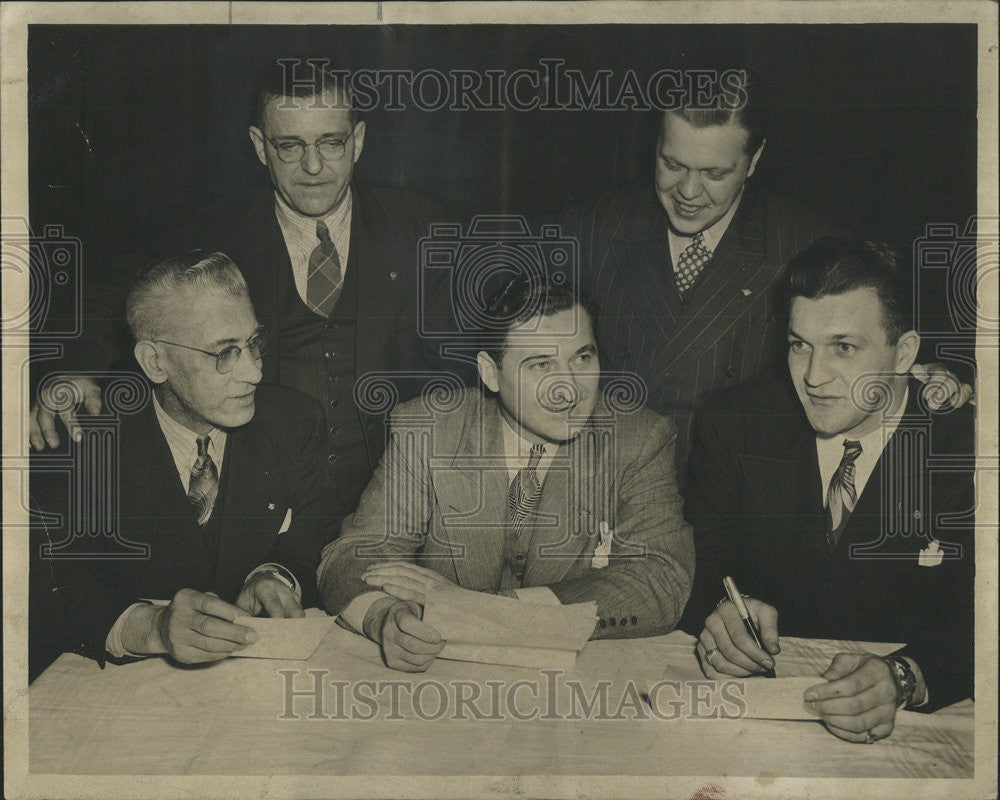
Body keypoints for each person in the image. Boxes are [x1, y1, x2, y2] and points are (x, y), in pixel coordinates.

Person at [28, 58, 459, 531]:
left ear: (357, 141)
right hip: (265, 514)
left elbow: (474, 348)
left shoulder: (419, 225)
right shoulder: (213, 231)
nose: (312, 167)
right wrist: (73, 367)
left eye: (331, 143)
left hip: (391, 509)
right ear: (260, 146)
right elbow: (119, 295)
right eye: (289, 146)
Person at [563, 68, 969, 470]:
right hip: (596, 485)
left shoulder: (809, 243)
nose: (687, 191)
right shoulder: (591, 227)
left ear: (753, 160)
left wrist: (928, 373)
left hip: (732, 504)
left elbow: (885, 345)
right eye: (672, 164)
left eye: (714, 174)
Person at [317, 274, 695, 672]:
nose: (568, 388)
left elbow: (661, 580)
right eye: (541, 364)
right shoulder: (427, 428)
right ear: (490, 373)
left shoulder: (638, 438)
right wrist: (385, 616)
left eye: (583, 358)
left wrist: (485, 610)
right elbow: (352, 555)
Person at [679, 238, 974, 743]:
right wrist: (724, 614)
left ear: (904, 352)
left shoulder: (967, 448)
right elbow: (702, 568)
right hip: (756, 727)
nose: (814, 377)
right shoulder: (735, 424)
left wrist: (906, 676)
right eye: (800, 345)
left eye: (844, 347)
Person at [29, 252, 331, 675]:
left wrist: (274, 576)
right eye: (224, 353)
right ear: (156, 362)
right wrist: (153, 627)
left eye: (254, 344)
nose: (254, 373)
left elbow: (304, 544)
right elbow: (50, 590)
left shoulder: (295, 422)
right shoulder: (85, 437)